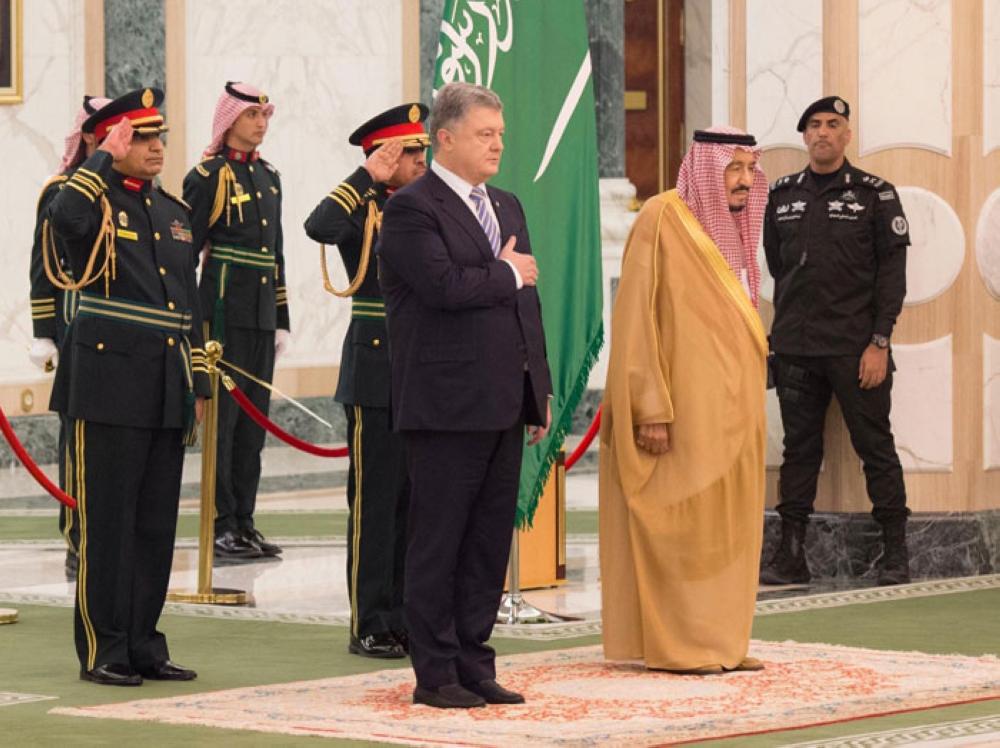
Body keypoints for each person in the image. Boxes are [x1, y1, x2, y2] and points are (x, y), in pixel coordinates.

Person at [377, 82, 553, 709]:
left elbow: (524, 304)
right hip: (445, 404)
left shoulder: (504, 204)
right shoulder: (411, 208)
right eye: (485, 134)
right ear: (444, 138)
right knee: (440, 541)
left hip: (505, 399)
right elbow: (444, 287)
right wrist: (505, 272)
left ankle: (476, 663)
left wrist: (541, 388)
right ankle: (436, 674)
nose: (497, 144)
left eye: (500, 134)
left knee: (485, 544)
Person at [45, 87, 209, 685]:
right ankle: (104, 648)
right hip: (107, 384)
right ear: (114, 140)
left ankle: (144, 642)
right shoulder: (87, 199)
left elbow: (185, 305)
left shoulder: (170, 211)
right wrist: (97, 161)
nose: (156, 147)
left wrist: (194, 382)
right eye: (141, 137)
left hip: (165, 384)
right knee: (108, 525)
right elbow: (63, 220)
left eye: (158, 136)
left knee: (153, 526)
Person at [599, 127, 769, 674]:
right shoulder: (662, 218)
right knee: (680, 524)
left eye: (750, 169)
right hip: (682, 410)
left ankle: (721, 641)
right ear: (704, 168)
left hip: (735, 412)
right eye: (733, 169)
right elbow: (636, 319)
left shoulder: (740, 229)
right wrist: (650, 404)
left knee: (729, 528)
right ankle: (681, 645)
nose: (744, 181)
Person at [761, 96, 911, 586]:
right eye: (814, 126)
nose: (822, 133)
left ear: (848, 136)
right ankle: (791, 556)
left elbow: (892, 278)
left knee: (876, 447)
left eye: (833, 125)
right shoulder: (782, 195)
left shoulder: (875, 195)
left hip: (856, 349)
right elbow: (777, 266)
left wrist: (879, 343)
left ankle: (895, 554)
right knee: (799, 452)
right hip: (796, 348)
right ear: (805, 136)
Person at [304, 104, 429, 660]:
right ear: (383, 156)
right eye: (409, 153)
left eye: (423, 151)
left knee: (413, 503)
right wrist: (365, 179)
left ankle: (402, 613)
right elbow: (318, 226)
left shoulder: (426, 206)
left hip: (423, 368)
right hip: (376, 368)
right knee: (376, 503)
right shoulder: (364, 208)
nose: (421, 162)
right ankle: (369, 620)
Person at [183, 82, 290, 560]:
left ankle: (244, 520)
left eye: (266, 116)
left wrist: (281, 317)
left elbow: (277, 254)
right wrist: (192, 324)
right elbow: (185, 254)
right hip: (223, 310)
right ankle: (221, 523)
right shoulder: (208, 176)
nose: (261, 124)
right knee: (223, 426)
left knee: (254, 422)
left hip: (261, 313)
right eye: (253, 116)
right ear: (230, 121)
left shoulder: (269, 177)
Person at [28, 94, 110, 577]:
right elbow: (43, 265)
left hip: (124, 336)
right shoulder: (61, 190)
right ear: (89, 137)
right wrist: (44, 332)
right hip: (75, 324)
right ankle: (78, 539)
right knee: (78, 442)